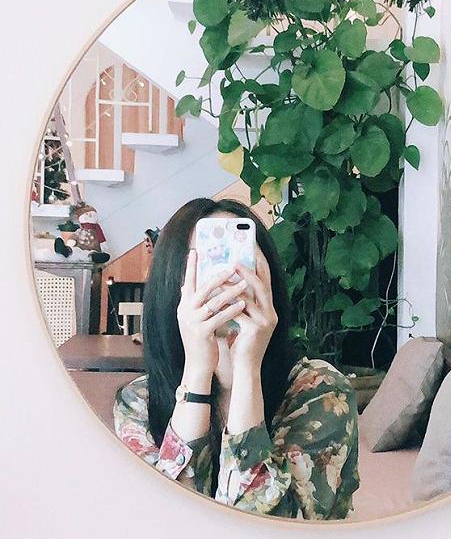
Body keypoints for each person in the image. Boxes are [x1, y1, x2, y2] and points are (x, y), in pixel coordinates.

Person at [113, 198, 360, 520]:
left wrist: (247, 370)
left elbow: (265, 527)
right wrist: (198, 373)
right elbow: (163, 522)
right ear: (171, 285)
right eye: (207, 264)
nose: (225, 281)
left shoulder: (321, 390)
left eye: (240, 262)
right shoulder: (137, 403)